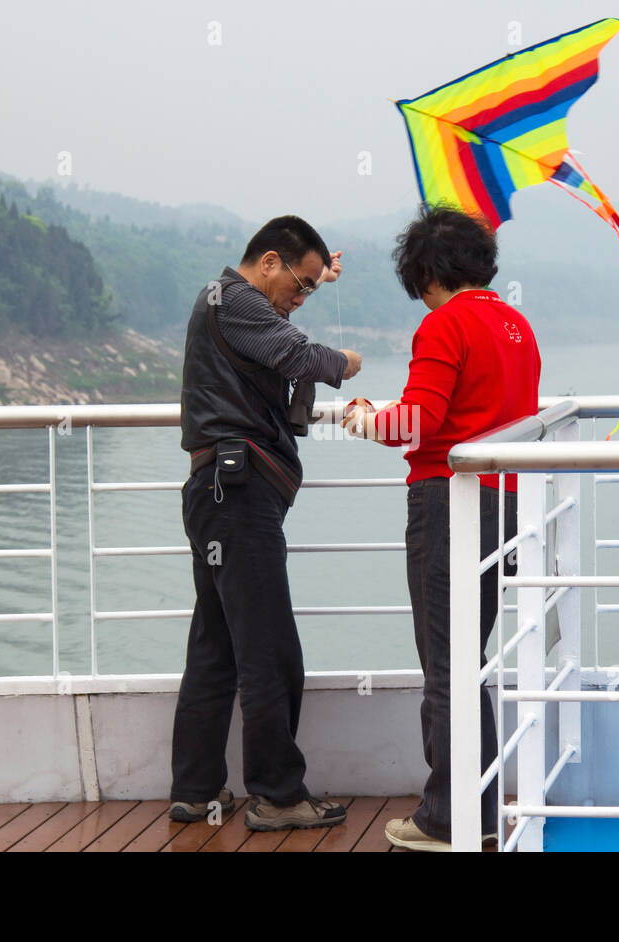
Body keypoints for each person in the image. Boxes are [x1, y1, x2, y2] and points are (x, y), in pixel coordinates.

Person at [342, 205, 541, 851]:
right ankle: (475, 810)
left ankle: (447, 819)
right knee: (468, 662)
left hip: (449, 503)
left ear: (427, 273)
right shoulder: (517, 325)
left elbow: (420, 422)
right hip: (508, 501)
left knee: (447, 666)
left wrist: (365, 418)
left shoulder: (445, 324)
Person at [172, 215, 363, 830]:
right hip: (240, 495)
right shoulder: (234, 298)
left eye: (311, 289)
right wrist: (347, 361)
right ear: (271, 261)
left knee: (217, 644)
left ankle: (197, 790)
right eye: (299, 284)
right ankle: (279, 795)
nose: (301, 298)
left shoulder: (233, 303)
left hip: (218, 491)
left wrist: (319, 282)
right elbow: (295, 352)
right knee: (269, 649)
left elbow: (278, 329)